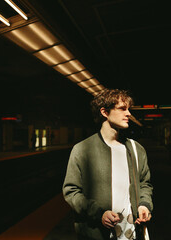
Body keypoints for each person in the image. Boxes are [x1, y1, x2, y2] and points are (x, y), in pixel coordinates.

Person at [63, 89, 153, 240]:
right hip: (96, 232)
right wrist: (99, 213)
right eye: (122, 109)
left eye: (128, 109)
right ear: (104, 112)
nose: (128, 114)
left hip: (131, 232)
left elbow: (145, 183)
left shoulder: (136, 149)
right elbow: (71, 191)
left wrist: (144, 204)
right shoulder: (82, 150)